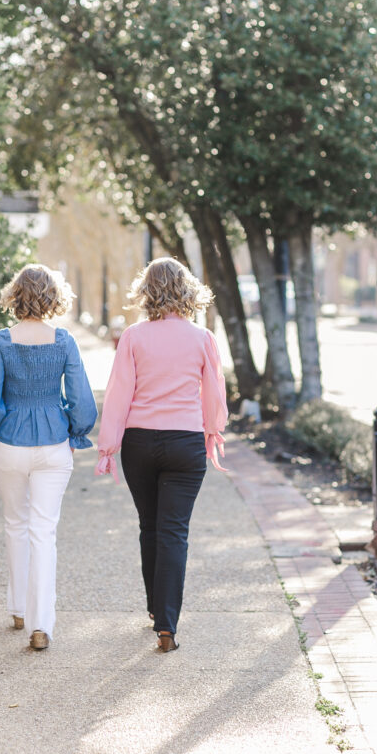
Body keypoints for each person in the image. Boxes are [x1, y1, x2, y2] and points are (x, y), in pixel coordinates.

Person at [96, 257, 228, 652]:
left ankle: (155, 609)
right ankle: (166, 625)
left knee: (149, 526)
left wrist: (108, 446)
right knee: (174, 531)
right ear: (186, 291)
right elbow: (214, 395)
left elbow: (119, 392)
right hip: (185, 444)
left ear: (146, 292)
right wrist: (212, 430)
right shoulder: (202, 338)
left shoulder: (134, 337)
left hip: (139, 443)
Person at [0, 264, 97, 651]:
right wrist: (77, 431)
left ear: (14, 296)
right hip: (54, 444)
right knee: (44, 531)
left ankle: (18, 608)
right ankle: (40, 625)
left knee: (15, 523)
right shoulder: (63, 342)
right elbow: (80, 396)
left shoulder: (2, 341)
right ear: (53, 298)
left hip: (9, 443)